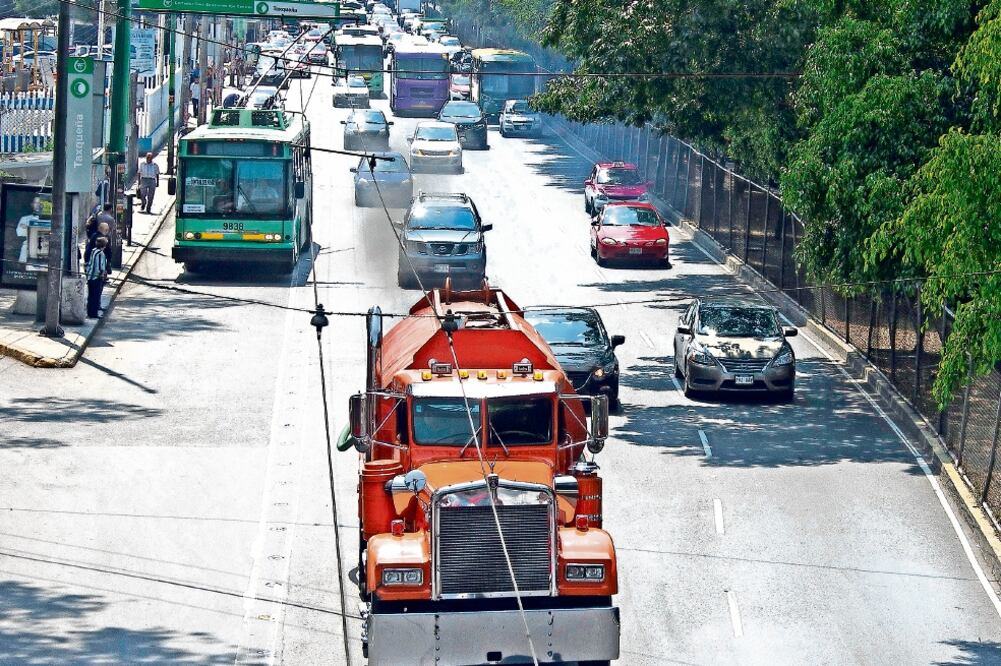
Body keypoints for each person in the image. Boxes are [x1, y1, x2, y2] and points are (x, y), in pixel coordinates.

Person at [86, 236, 109, 319]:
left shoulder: (93, 251)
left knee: (90, 296)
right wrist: (103, 274)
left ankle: (89, 312)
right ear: (104, 245)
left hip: (90, 277)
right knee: (96, 296)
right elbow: (100, 267)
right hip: (96, 277)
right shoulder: (101, 254)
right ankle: (94, 313)